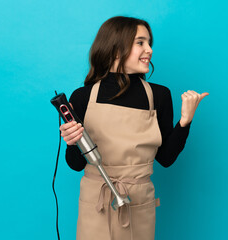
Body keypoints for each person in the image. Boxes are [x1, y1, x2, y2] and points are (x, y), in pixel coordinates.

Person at [59, 16, 208, 240]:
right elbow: (75, 164)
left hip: (138, 203)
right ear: (116, 48)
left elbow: (165, 159)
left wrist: (184, 122)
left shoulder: (159, 96)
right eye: (140, 42)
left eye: (149, 43)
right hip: (95, 201)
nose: (149, 49)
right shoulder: (83, 97)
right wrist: (72, 141)